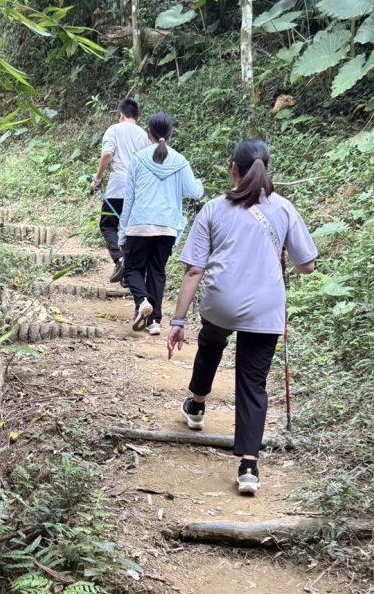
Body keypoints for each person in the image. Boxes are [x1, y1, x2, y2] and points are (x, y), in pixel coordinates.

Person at [167, 139, 317, 495]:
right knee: (252, 382)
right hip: (266, 307)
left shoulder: (214, 209)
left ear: (232, 169)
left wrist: (177, 320)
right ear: (266, 169)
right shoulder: (283, 209)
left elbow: (193, 271)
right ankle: (249, 467)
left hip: (221, 301)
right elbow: (307, 265)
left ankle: (197, 405)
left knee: (211, 343)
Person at [118, 111, 204, 336]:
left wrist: (122, 234)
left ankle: (142, 301)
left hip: (139, 224)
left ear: (149, 133)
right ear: (171, 133)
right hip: (167, 227)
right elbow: (194, 191)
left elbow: (129, 199)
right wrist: (200, 184)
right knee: (157, 270)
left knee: (133, 269)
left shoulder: (138, 159)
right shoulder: (180, 160)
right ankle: (154, 321)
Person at [90, 98, 148, 279]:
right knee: (131, 229)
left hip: (117, 187)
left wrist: (97, 179)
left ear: (121, 115)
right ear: (137, 118)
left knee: (108, 225)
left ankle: (120, 259)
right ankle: (131, 271)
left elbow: (108, 153)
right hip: (138, 189)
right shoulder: (144, 135)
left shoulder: (114, 129)